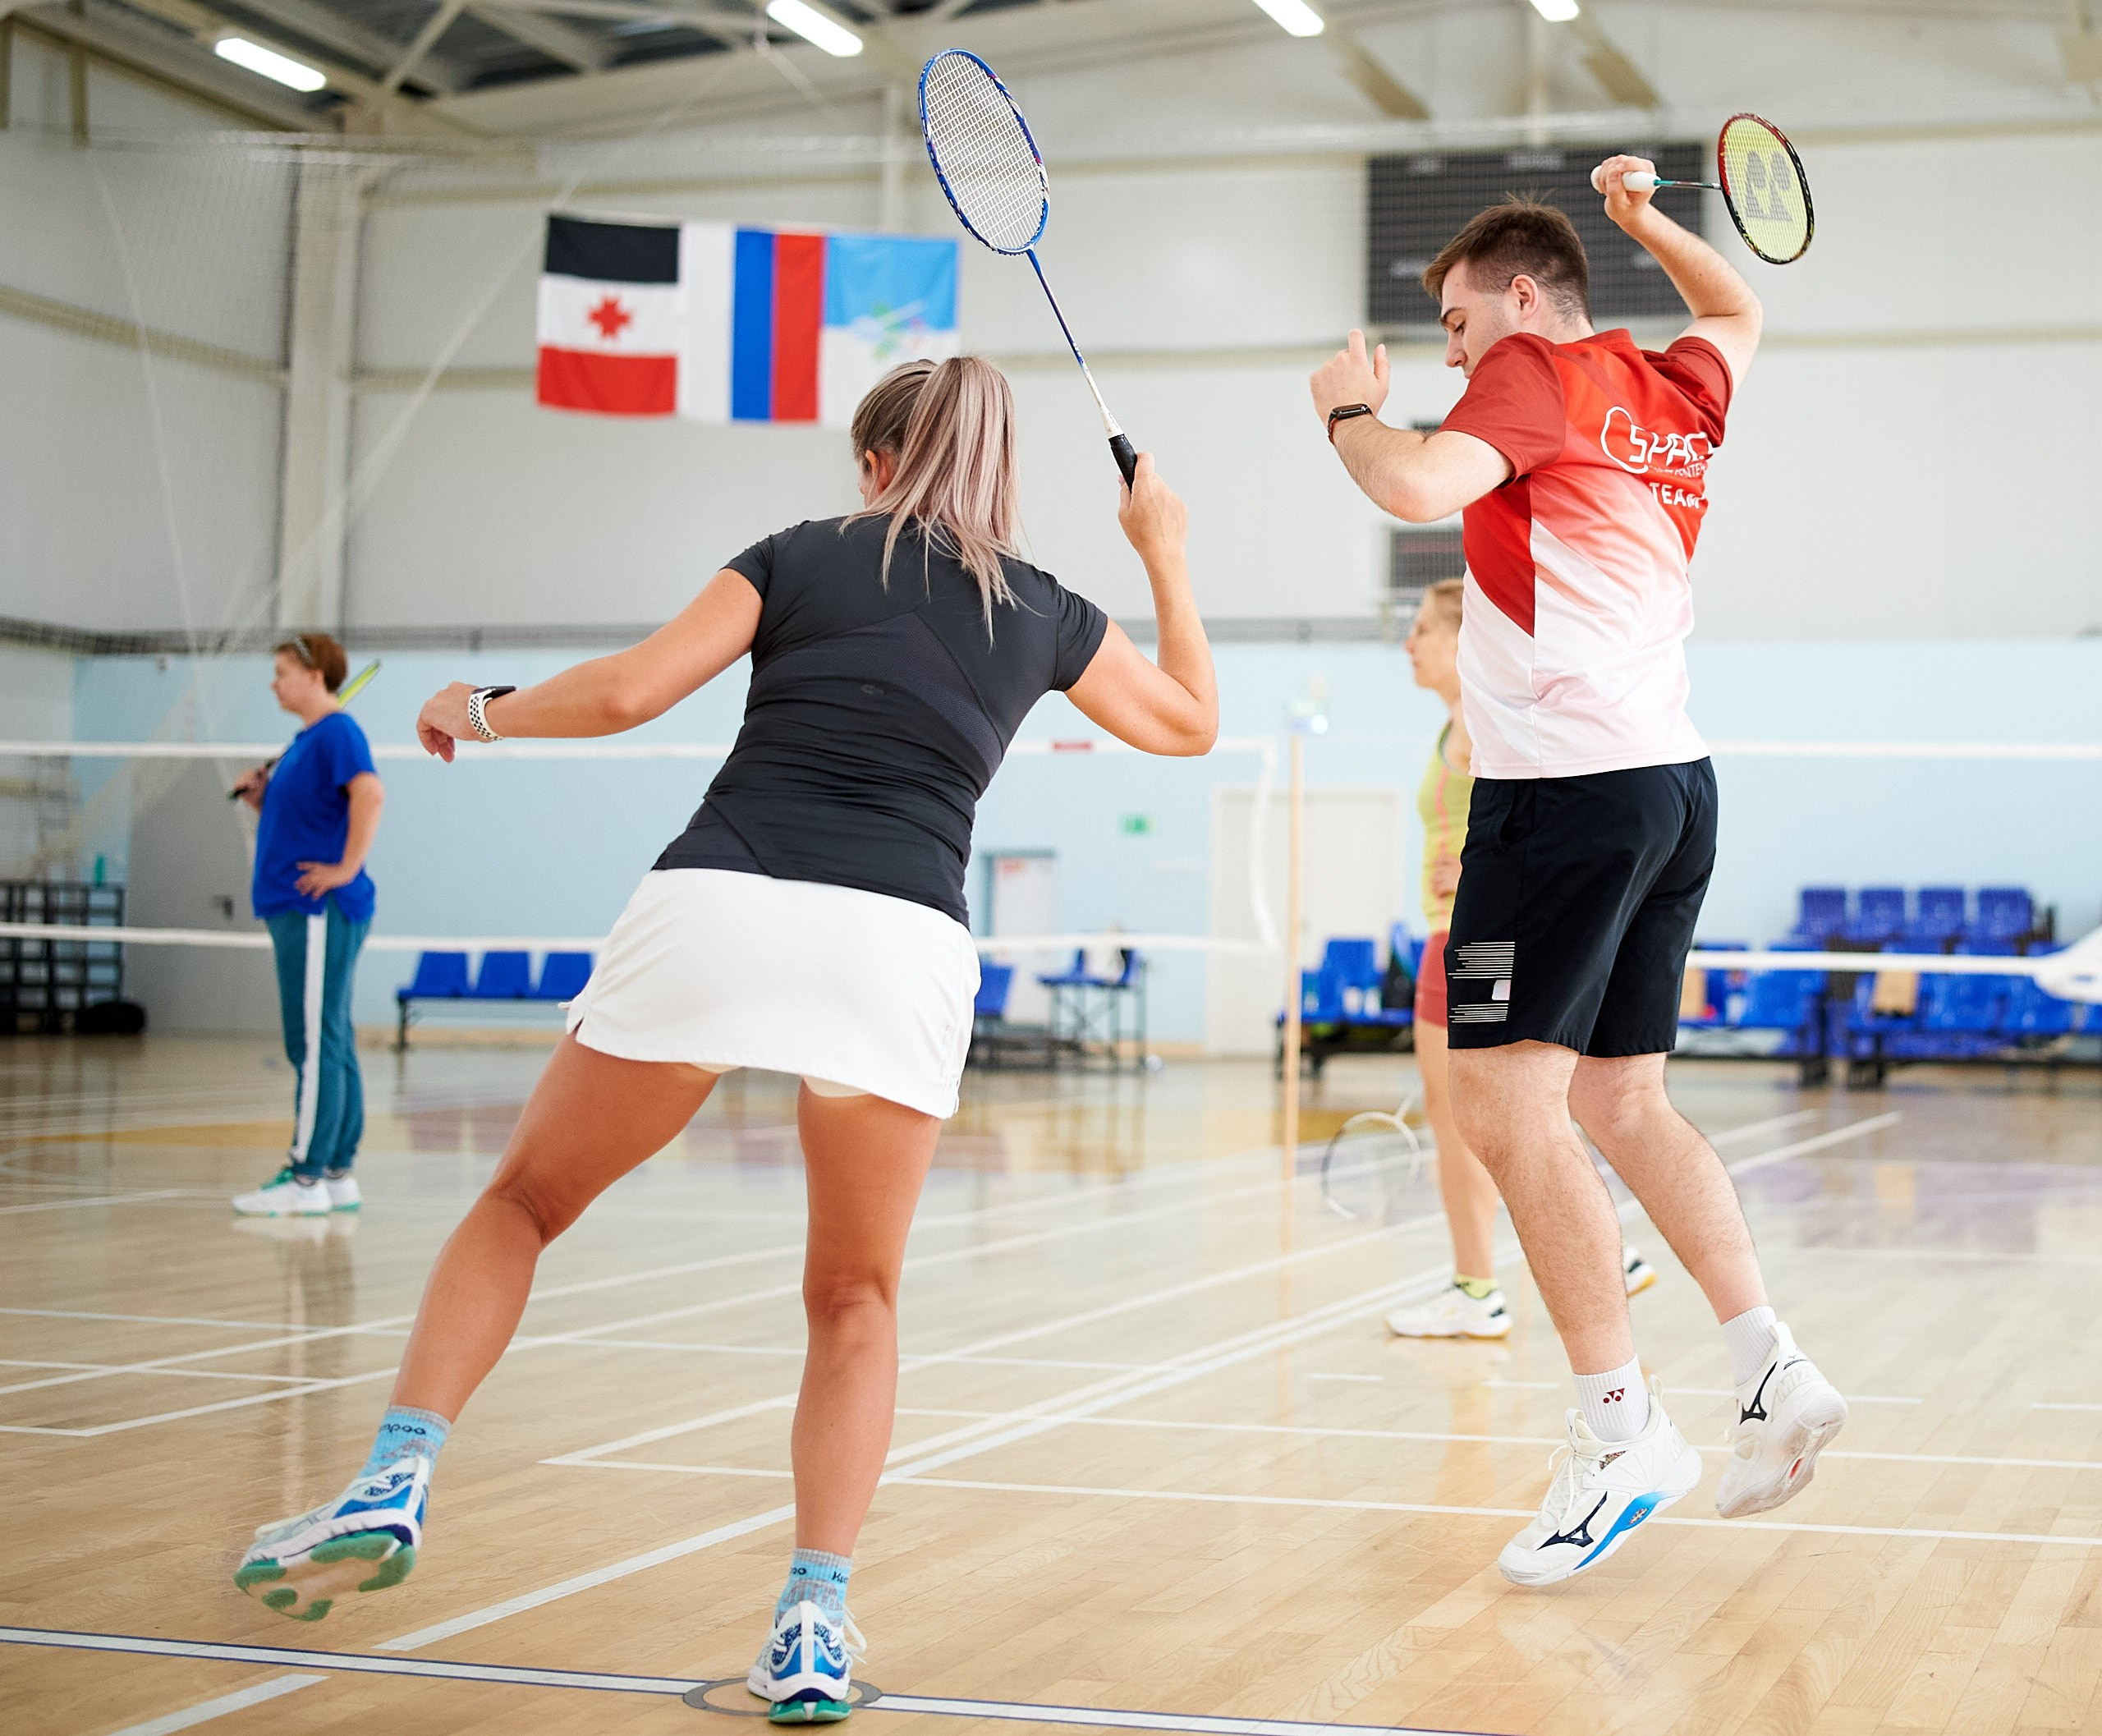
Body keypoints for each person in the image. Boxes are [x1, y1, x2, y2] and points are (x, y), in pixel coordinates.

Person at [232, 357, 1218, 1720]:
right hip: (899, 939)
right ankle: (812, 1621)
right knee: (856, 1296)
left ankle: (397, 1470)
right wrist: (1165, 551)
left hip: (723, 897)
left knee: (524, 1199)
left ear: (874, 461)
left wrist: (482, 711)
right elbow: (1190, 723)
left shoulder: (797, 555)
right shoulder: (1042, 607)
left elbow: (635, 689)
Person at [1310, 166, 1845, 1587]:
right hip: (1675, 786)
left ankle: (1622, 1433)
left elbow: (1417, 480)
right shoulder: (1671, 384)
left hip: (1558, 796)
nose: (1450, 345)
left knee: (1504, 1099)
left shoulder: (1536, 373)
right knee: (1621, 1095)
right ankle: (1767, 1362)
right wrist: (1649, 224)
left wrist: (1347, 410)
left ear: (1527, 296)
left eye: (1457, 314)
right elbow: (1739, 306)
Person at [1384, 579, 1655, 1340]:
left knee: (1468, 1118)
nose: (1410, 643)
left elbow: (1537, 830)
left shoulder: (1480, 724)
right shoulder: (1457, 726)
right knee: (1493, 1112)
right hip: (1460, 936)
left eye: (1423, 629)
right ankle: (1602, 1251)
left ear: (1463, 640)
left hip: (1469, 942)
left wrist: (1472, 876)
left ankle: (1481, 1288)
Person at [230, 632, 383, 1218]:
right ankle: (339, 1171)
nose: (274, 683)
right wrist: (263, 800)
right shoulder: (308, 741)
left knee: (314, 1042)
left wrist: (346, 868)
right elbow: (310, 817)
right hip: (297, 908)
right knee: (331, 1037)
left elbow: (370, 794)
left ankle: (306, 1175)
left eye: (282, 672)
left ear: (316, 674)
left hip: (317, 909)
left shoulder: (338, 732)